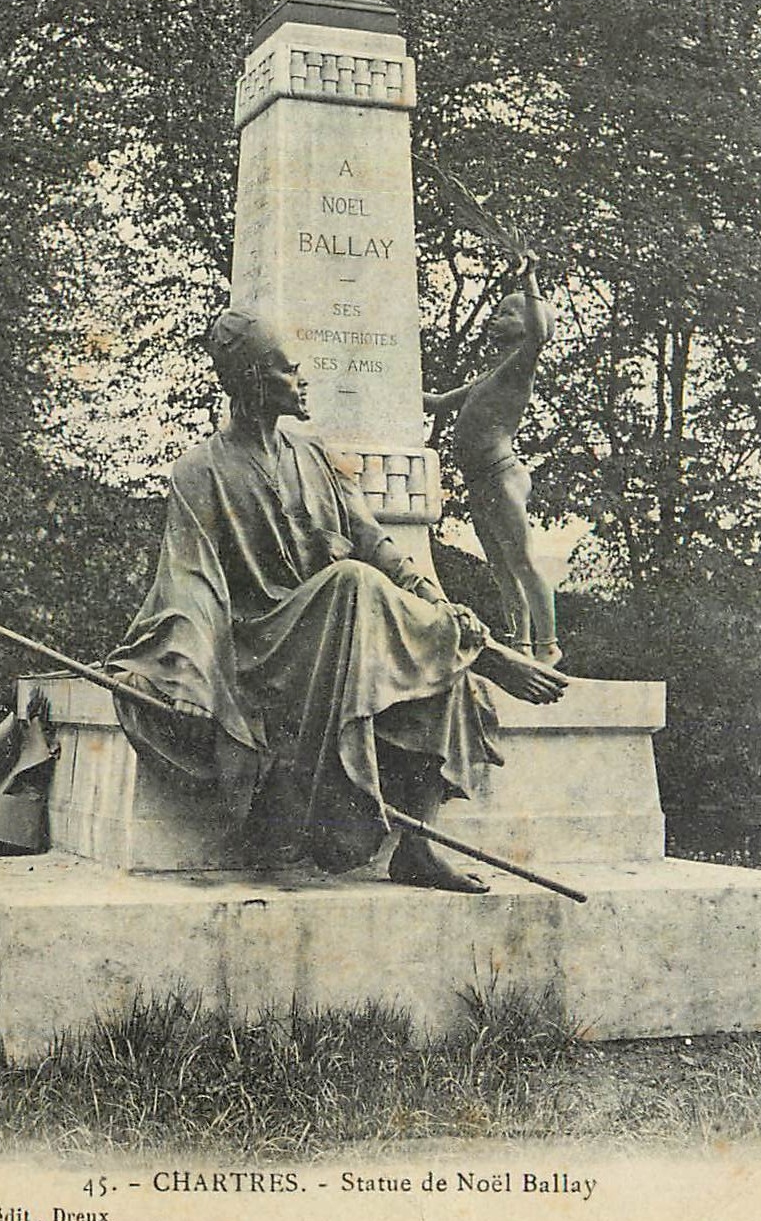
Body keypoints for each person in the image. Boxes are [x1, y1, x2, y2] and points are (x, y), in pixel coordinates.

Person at [109, 310, 566, 893]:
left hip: (343, 631)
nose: (302, 382)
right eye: (288, 372)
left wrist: (435, 604)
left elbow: (381, 547)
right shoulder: (200, 471)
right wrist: (191, 678)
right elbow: (189, 583)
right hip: (263, 646)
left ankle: (418, 846)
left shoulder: (317, 457)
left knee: (418, 638)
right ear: (253, 382)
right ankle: (480, 649)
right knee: (353, 584)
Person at [423, 254, 562, 664]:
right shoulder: (489, 375)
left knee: (521, 558)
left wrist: (531, 278)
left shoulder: (521, 366)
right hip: (480, 480)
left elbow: (539, 336)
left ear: (525, 323)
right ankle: (520, 642)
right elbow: (435, 403)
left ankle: (548, 644)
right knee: (501, 566)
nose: (493, 319)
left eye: (505, 314)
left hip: (501, 475)